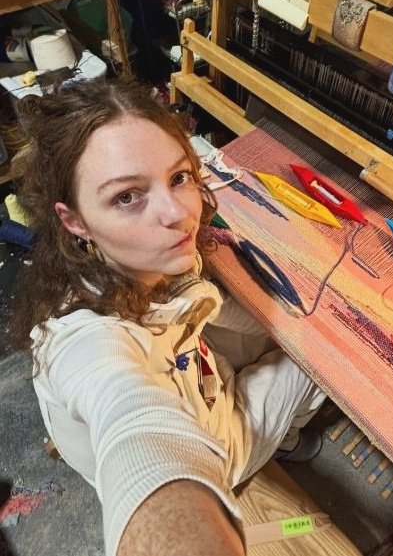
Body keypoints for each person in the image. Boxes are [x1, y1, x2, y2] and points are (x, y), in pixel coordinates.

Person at [10, 77, 326, 556]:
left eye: (179, 177)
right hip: (213, 445)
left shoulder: (141, 260)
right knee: (326, 360)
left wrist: (280, 323)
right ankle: (284, 439)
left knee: (281, 322)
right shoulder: (84, 342)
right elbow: (133, 421)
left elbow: (202, 300)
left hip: (200, 379)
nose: (177, 212)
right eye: (126, 197)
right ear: (74, 220)